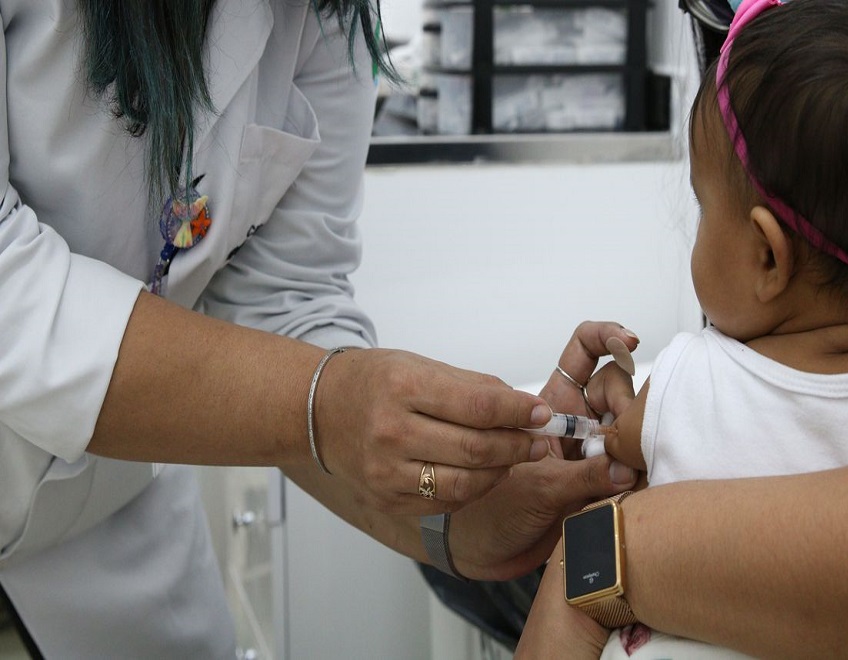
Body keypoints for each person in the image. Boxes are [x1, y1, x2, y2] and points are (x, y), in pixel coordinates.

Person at [0, 2, 641, 657]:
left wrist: (445, 511)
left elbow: (281, 308)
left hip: (110, 525)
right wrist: (325, 402)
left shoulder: (322, 16)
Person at [517, 0, 848, 657]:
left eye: (701, 204)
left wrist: (593, 421)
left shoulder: (688, 379)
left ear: (766, 258)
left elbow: (601, 443)